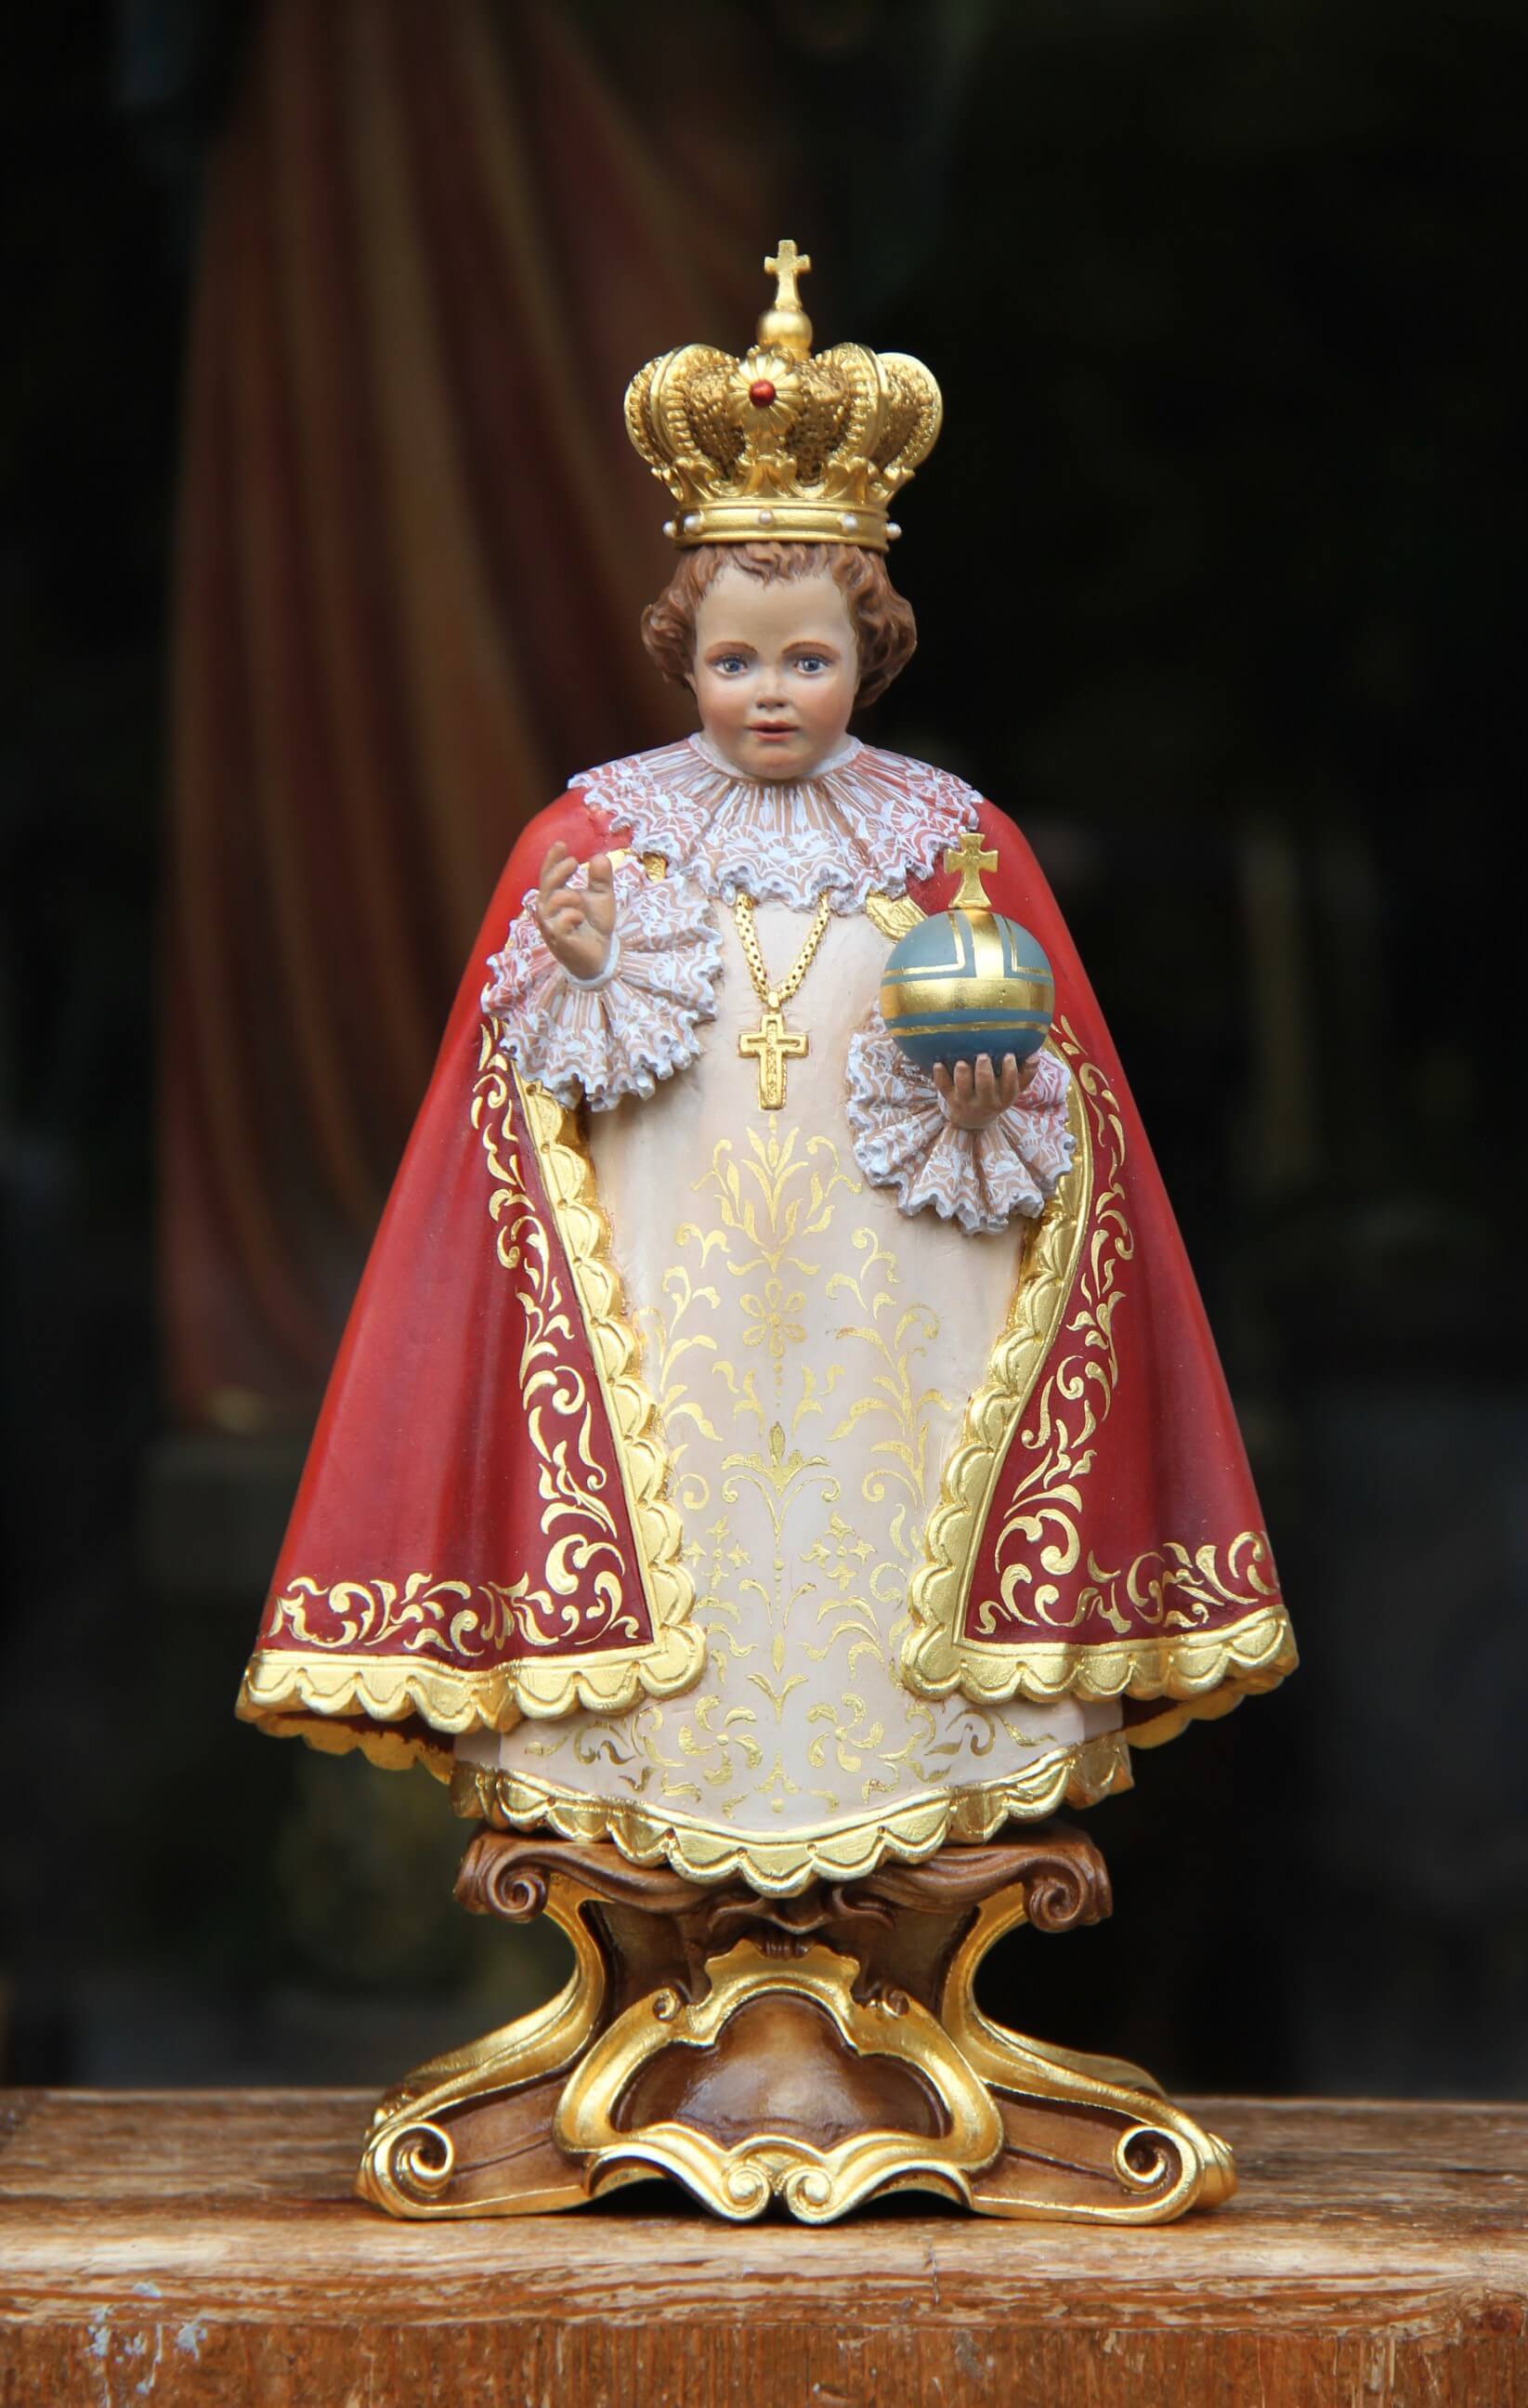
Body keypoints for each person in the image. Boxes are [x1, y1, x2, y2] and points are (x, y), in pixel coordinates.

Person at [238, 246, 1295, 1895]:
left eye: (807, 661)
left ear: (868, 654)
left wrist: (986, 1103)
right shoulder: (593, 838)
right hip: (674, 1315)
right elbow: (512, 1129)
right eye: (737, 664)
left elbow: (1051, 1121)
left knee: (877, 1574)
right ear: (684, 655)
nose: (772, 696)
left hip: (903, 1316)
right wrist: (582, 968)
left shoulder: (956, 845)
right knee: (702, 1580)